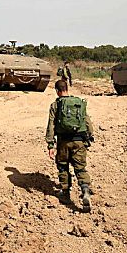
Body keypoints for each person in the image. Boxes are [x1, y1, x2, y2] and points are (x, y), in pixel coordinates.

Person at [46, 80, 94, 212]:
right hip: (79, 141)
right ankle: (85, 190)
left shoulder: (56, 105)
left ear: (57, 91)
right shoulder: (79, 103)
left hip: (63, 142)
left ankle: (65, 193)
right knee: (80, 168)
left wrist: (51, 144)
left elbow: (51, 125)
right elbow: (87, 121)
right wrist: (89, 137)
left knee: (63, 166)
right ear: (67, 88)